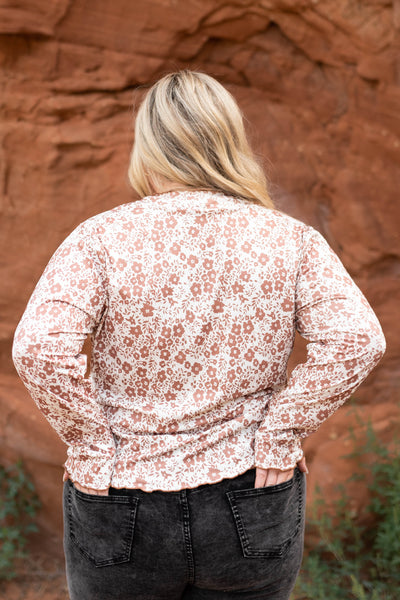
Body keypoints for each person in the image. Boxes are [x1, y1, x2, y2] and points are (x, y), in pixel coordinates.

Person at [12, 70, 385, 600]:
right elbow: (357, 339)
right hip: (252, 489)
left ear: (148, 144)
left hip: (122, 492)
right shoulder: (291, 239)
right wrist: (281, 434)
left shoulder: (99, 238)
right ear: (229, 140)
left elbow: (39, 348)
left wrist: (91, 443)